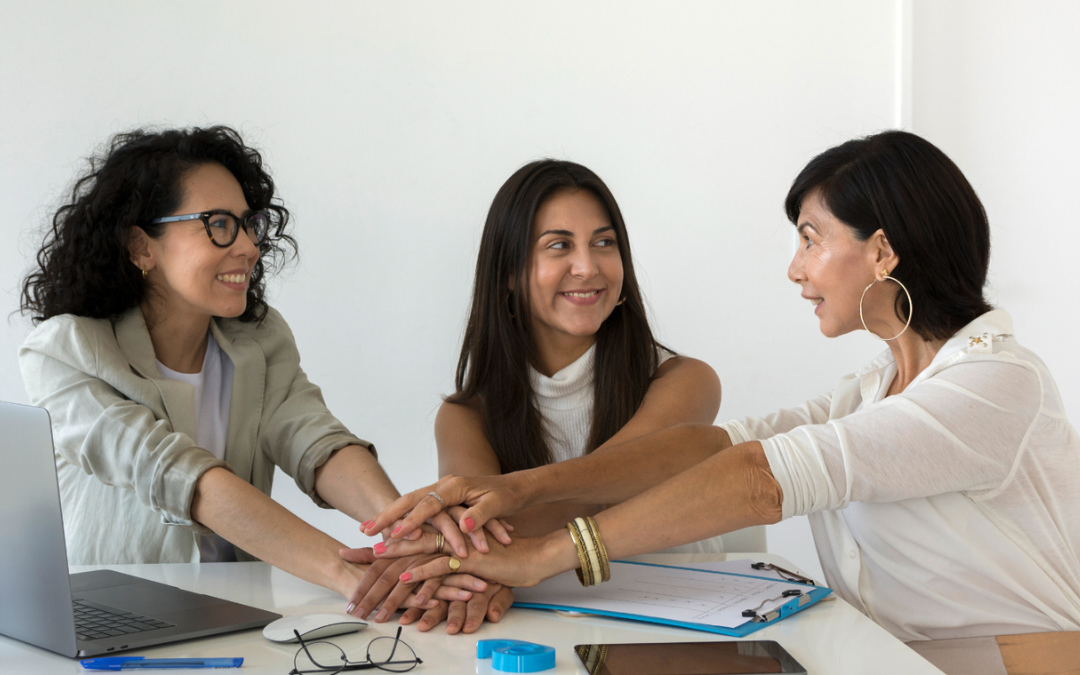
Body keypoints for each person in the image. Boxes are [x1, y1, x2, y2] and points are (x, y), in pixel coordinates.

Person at [362, 131, 1080, 650]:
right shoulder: (871, 389)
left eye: (809, 238)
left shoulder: (994, 384)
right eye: (557, 245)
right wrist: (516, 492)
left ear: (883, 252)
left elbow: (763, 477)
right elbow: (711, 448)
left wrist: (540, 554)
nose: (795, 270)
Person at [18, 126, 480, 613]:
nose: (249, 247)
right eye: (218, 224)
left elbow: (313, 439)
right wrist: (350, 574)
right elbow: (176, 475)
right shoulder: (63, 353)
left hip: (234, 609)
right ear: (141, 247)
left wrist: (406, 531)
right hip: (116, 613)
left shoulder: (259, 337)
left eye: (248, 224)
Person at [342, 159, 722, 632]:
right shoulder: (465, 416)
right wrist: (461, 564)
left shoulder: (685, 380)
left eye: (604, 243)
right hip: (536, 624)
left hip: (683, 623)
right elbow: (484, 542)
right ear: (508, 272)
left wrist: (472, 536)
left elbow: (606, 488)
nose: (587, 267)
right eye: (559, 245)